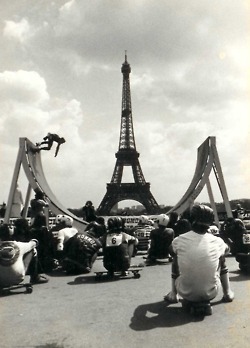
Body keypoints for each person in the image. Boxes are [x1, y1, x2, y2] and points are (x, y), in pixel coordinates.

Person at [164, 204, 234, 314]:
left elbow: (171, 251)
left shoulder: (179, 239)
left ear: (192, 219)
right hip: (211, 292)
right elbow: (227, 250)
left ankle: (174, 294)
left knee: (176, 260)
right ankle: (227, 292)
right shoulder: (217, 241)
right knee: (221, 259)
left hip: (185, 291)